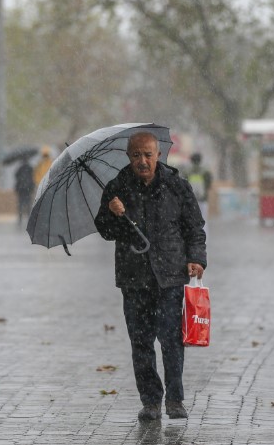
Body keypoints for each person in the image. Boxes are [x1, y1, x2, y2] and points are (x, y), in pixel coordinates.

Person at [95, 132, 207, 422]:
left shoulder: (177, 187)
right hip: (134, 279)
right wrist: (112, 214)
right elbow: (106, 231)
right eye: (136, 156)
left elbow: (194, 227)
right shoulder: (116, 188)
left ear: (158, 155)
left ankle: (175, 398)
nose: (142, 161)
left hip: (170, 276)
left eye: (147, 155)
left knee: (171, 340)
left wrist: (196, 258)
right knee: (141, 342)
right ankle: (151, 401)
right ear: (129, 157)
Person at [184, 152, 213, 231]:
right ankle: (204, 240)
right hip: (203, 199)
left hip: (191, 200)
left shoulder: (187, 171)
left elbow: (184, 185)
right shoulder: (205, 171)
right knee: (203, 219)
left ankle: (193, 240)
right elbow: (209, 184)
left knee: (191, 220)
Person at [14, 157, 35, 226]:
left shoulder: (19, 168)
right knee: (28, 203)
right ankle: (29, 217)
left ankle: (20, 217)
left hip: (21, 188)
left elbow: (16, 176)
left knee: (20, 203)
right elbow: (33, 177)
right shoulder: (30, 168)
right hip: (28, 188)